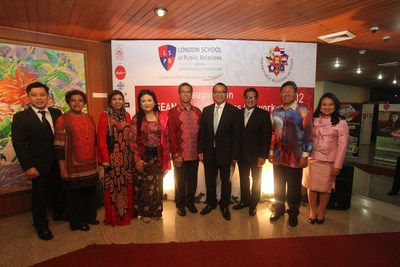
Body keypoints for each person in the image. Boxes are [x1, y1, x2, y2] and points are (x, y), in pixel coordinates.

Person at [11, 81, 66, 240]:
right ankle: (40, 224)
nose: (39, 98)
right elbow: (19, 144)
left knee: (58, 190)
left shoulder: (56, 113)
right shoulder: (21, 117)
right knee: (39, 196)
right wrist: (28, 166)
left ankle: (59, 213)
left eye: (42, 95)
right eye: (34, 95)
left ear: (48, 96)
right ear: (28, 97)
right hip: (37, 165)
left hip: (57, 162)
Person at [268, 81, 313, 227]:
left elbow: (308, 136)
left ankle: (293, 213)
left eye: (290, 91)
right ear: (280, 94)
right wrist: (270, 152)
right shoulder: (275, 112)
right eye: (283, 91)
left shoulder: (304, 111)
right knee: (278, 185)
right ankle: (279, 210)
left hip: (296, 158)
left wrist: (305, 156)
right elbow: (273, 135)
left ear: (295, 93)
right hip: (278, 156)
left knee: (294, 188)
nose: (286, 94)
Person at [54, 90, 99, 231]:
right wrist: (62, 168)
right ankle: (78, 222)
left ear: (84, 103)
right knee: (75, 196)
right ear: (68, 102)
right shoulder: (62, 120)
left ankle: (90, 217)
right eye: (73, 100)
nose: (77, 103)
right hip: (72, 166)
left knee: (90, 193)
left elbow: (95, 141)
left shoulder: (89, 118)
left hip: (90, 165)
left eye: (80, 100)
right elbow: (59, 146)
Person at [302, 93, 349, 224]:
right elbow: (306, 138)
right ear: (320, 105)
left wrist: (338, 165)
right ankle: (312, 210)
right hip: (313, 159)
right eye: (324, 104)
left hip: (329, 161)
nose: (327, 107)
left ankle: (321, 211)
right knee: (311, 187)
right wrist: (305, 156)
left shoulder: (341, 121)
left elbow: (343, 145)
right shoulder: (313, 119)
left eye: (330, 104)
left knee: (325, 188)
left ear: (335, 106)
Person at [198, 82, 241, 221]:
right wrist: (200, 150)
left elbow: (236, 135)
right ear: (213, 94)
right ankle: (211, 203)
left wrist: (235, 155)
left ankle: (224, 205)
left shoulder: (234, 111)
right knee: (209, 180)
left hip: (226, 154)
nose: (219, 94)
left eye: (222, 92)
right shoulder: (207, 110)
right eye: (216, 91)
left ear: (226, 94)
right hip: (209, 153)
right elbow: (202, 133)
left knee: (225, 182)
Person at [129, 89, 171, 223]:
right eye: (143, 101)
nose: (146, 103)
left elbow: (167, 138)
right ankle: (145, 212)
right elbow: (132, 140)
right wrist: (137, 159)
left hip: (158, 157)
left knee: (158, 185)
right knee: (145, 186)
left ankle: (156, 211)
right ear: (140, 103)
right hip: (143, 157)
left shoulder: (162, 117)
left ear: (154, 102)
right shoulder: (137, 118)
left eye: (149, 100)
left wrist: (166, 159)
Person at [233, 88, 272, 216]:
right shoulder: (238, 113)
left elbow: (267, 137)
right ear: (244, 99)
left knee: (256, 180)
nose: (250, 100)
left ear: (256, 99)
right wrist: (235, 154)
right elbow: (236, 136)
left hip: (257, 156)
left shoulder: (263, 114)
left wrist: (263, 156)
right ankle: (244, 201)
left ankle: (253, 204)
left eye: (253, 97)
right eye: (248, 97)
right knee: (244, 179)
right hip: (241, 155)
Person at [97, 90, 133, 226]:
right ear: (110, 102)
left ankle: (125, 215)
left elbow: (130, 138)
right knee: (113, 188)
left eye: (120, 99)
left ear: (123, 101)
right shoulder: (104, 115)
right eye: (114, 99)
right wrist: (105, 159)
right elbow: (101, 139)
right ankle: (114, 217)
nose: (117, 102)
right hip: (111, 159)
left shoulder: (127, 115)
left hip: (126, 158)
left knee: (125, 186)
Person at [168, 82, 202, 216]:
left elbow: (201, 134)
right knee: (180, 182)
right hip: (180, 155)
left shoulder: (198, 111)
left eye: (188, 91)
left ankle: (190, 202)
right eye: (183, 91)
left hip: (194, 154)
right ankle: (180, 204)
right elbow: (171, 134)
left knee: (192, 181)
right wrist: (176, 154)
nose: (186, 94)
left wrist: (200, 151)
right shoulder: (173, 112)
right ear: (179, 94)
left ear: (191, 94)